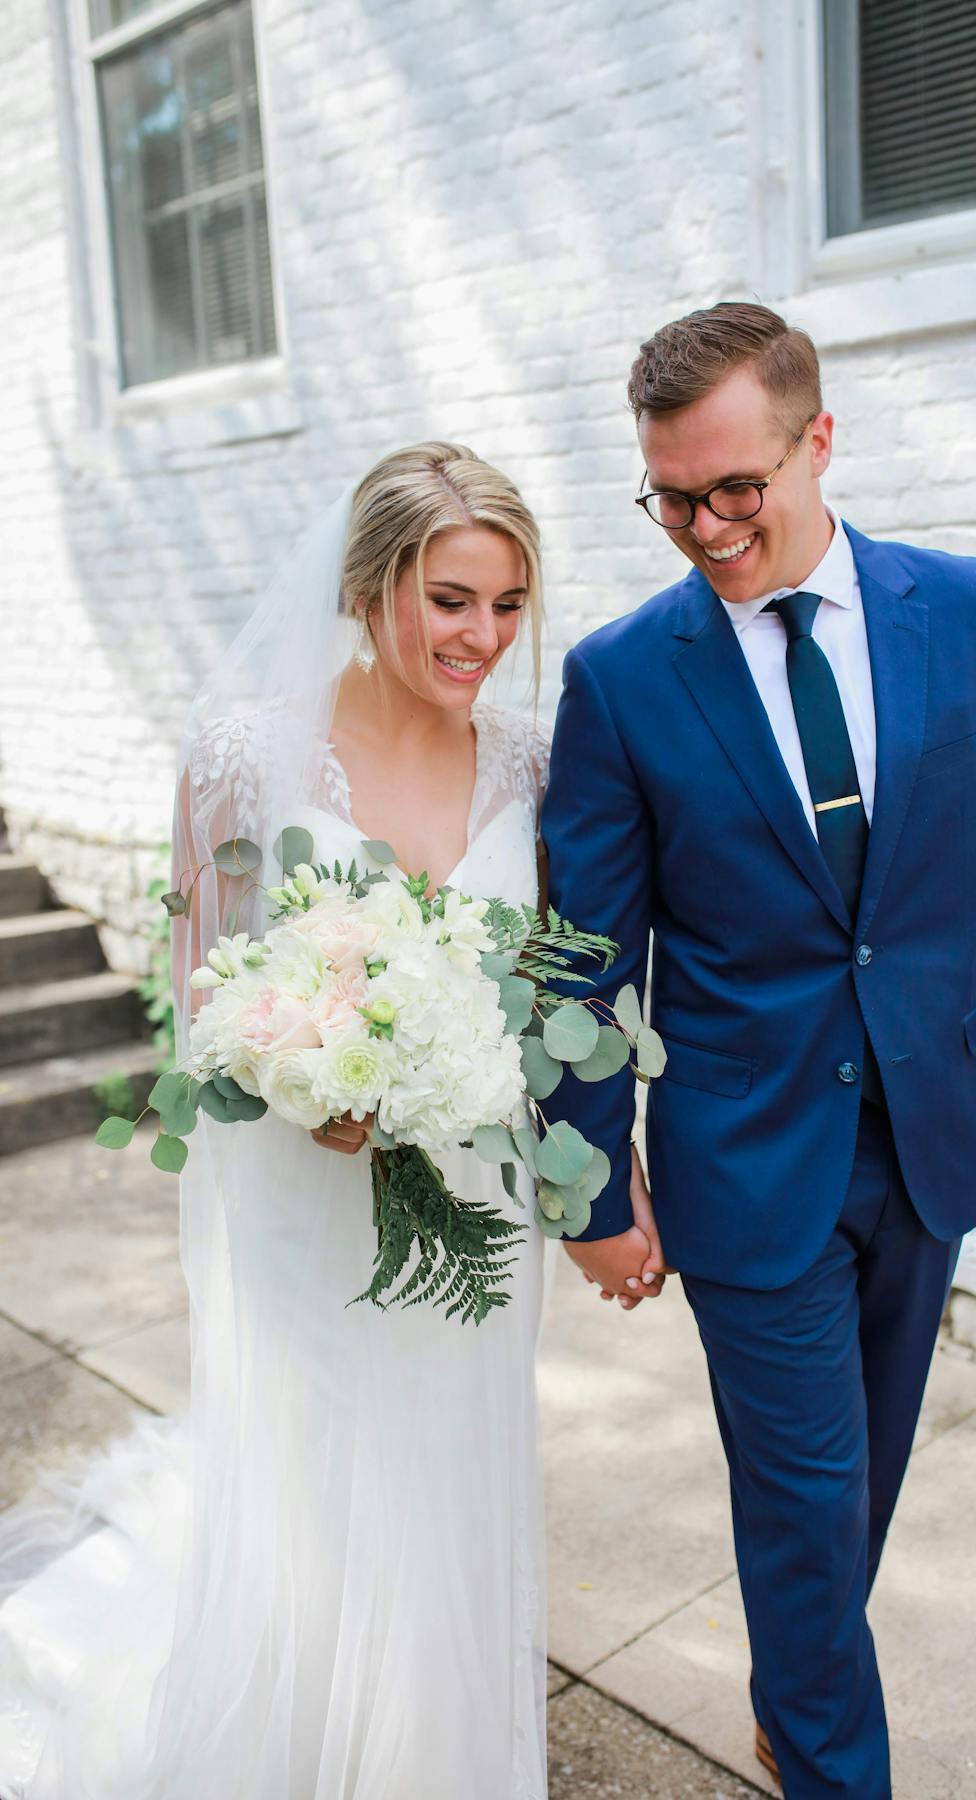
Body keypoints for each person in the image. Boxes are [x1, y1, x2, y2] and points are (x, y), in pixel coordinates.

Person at [541, 303, 976, 1798]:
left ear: (818, 440)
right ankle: (834, 1758)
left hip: (939, 1131)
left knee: (848, 1496)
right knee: (806, 1499)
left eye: (733, 490)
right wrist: (588, 1185)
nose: (701, 529)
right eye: (669, 498)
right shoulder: (623, 677)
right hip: (746, 1161)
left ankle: (796, 1673)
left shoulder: (965, 610)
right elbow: (584, 958)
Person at [0, 444, 558, 1799]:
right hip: (304, 1197)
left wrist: (464, 1064)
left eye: (505, 604)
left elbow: (547, 975)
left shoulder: (535, 756)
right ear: (370, 590)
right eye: (449, 600)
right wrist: (302, 1074)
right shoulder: (246, 752)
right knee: (320, 1475)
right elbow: (197, 975)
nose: (480, 637)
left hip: (475, 1193)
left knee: (450, 1477)